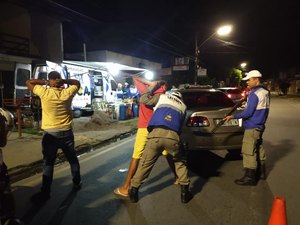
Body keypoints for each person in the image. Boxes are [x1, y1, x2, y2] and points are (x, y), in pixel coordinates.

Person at [114, 76, 177, 197]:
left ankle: (126, 187)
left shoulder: (146, 92)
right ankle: (178, 177)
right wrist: (155, 83)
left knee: (136, 156)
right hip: (159, 126)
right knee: (167, 153)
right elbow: (163, 84)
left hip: (144, 127)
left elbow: (135, 79)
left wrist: (144, 81)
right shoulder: (162, 91)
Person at [26, 71, 82, 204]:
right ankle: (77, 182)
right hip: (66, 134)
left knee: (48, 163)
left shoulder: (45, 92)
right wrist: (64, 81)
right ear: (60, 81)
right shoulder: (67, 93)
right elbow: (77, 83)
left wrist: (47, 82)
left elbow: (29, 82)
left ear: (50, 80)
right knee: (72, 160)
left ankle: (45, 192)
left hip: (50, 135)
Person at [129, 91, 192, 204]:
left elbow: (143, 99)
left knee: (145, 164)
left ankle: (133, 190)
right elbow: (180, 127)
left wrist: (150, 89)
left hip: (155, 135)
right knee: (179, 163)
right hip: (173, 138)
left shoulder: (162, 97)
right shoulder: (183, 106)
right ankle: (184, 193)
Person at [223, 70, 270, 186]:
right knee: (257, 147)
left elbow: (248, 113)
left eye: (249, 80)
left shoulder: (254, 94)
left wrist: (233, 116)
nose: (247, 82)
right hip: (260, 124)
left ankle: (250, 177)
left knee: (248, 151)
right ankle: (261, 173)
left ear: (256, 79)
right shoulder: (264, 92)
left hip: (252, 126)